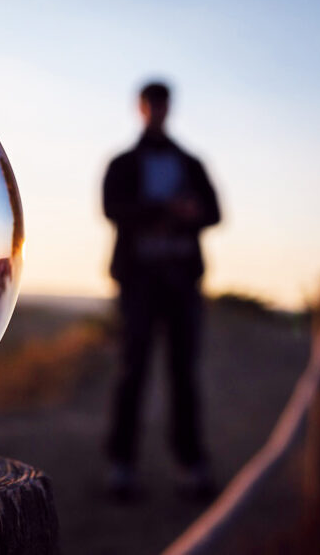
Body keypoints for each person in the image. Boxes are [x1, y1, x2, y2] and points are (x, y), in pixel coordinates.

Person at [102, 81, 221, 500]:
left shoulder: (190, 162)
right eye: (151, 104)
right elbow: (111, 208)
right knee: (132, 370)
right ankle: (122, 467)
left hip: (182, 280)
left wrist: (187, 214)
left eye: (162, 104)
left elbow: (214, 212)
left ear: (168, 107)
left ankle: (190, 465)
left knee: (183, 373)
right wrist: (167, 209)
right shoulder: (123, 163)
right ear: (142, 107)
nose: (157, 110)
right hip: (139, 280)